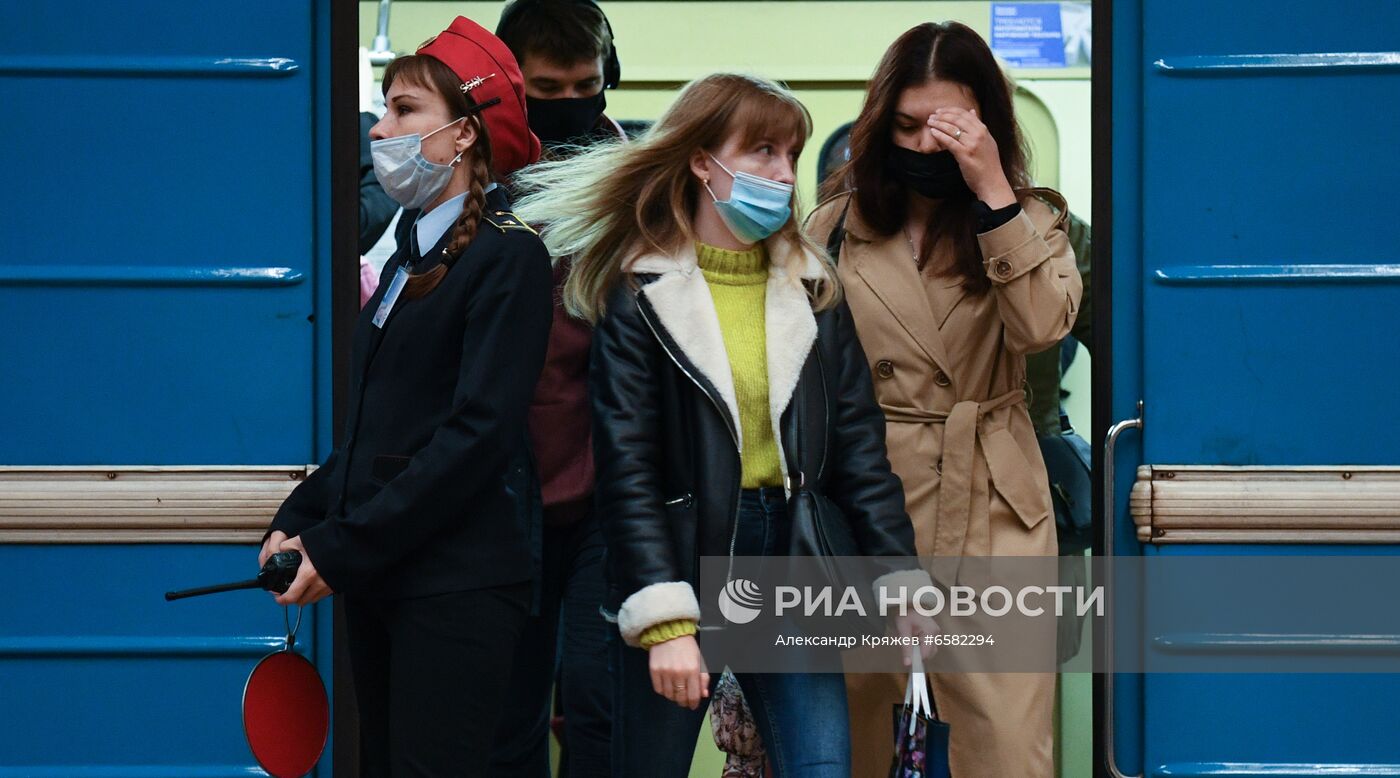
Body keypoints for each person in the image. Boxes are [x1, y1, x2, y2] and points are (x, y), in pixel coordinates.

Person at [513, 72, 937, 778]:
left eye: (791, 154)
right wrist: (667, 622)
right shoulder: (639, 294)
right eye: (763, 151)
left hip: (791, 556)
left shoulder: (814, 288)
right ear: (701, 161)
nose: (784, 173)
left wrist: (899, 577)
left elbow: (861, 450)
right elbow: (629, 468)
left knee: (823, 765)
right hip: (683, 557)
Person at [259, 16, 552, 775]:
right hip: (390, 576)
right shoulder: (404, 262)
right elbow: (376, 434)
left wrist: (340, 545)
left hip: (458, 587)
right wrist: (302, 517)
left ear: (464, 133)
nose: (382, 128)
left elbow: (475, 437)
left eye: (403, 109)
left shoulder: (509, 257)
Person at [807, 21, 1082, 778]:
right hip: (871, 498)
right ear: (878, 122)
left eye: (948, 128)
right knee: (868, 733)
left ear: (985, 123)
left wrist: (993, 191)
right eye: (906, 126)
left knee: (1003, 738)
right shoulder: (832, 227)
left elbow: (1040, 328)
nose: (925, 148)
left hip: (996, 508)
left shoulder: (1033, 221)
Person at [486, 2, 626, 776]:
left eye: (587, 85)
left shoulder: (638, 183)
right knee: (508, 718)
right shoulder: (474, 182)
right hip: (504, 493)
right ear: (511, 86)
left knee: (602, 715)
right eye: (548, 87)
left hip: (609, 492)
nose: (571, 102)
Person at [496, 0, 626, 150]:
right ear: (507, 80)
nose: (569, 97)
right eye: (548, 87)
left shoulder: (617, 150)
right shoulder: (471, 159)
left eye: (586, 85)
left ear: (609, 74)